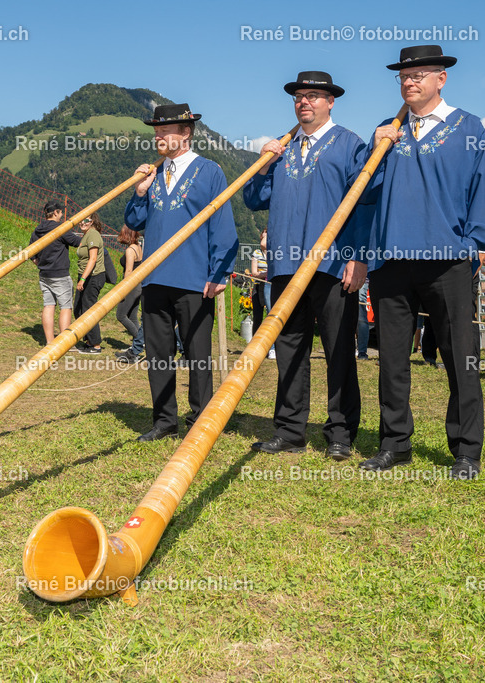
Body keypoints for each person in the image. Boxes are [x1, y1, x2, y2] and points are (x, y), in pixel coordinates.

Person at [360, 45, 485, 480]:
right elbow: (364, 196)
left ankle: (465, 451)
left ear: (441, 78)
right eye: (404, 75)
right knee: (391, 359)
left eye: (420, 74)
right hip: (392, 259)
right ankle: (394, 445)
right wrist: (375, 148)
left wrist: (473, 244)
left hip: (448, 260)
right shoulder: (388, 131)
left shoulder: (468, 127)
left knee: (459, 357)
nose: (410, 81)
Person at [243, 71, 368, 461]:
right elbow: (252, 197)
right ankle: (290, 429)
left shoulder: (350, 144)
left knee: (338, 350)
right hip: (285, 265)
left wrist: (358, 256)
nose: (304, 102)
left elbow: (365, 205)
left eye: (314, 96)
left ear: (331, 102)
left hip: (333, 265)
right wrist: (264, 163)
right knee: (289, 348)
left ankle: (341, 432)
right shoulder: (283, 148)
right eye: (299, 96)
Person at [124, 103, 239, 442]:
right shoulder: (153, 174)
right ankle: (164, 420)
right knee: (159, 354)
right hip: (155, 276)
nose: (159, 135)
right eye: (157, 130)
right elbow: (133, 222)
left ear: (186, 132)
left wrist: (220, 273)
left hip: (194, 278)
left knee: (197, 353)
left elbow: (223, 226)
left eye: (166, 130)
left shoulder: (210, 171)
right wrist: (140, 192)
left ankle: (202, 419)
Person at [29, 199, 81, 344]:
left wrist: (41, 263)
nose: (61, 215)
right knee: (66, 307)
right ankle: (64, 344)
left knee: (49, 305)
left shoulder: (37, 230)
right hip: (60, 274)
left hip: (44, 274)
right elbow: (78, 242)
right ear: (56, 213)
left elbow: (31, 253)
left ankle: (50, 342)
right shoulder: (60, 229)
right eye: (60, 212)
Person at [72, 212, 106, 354]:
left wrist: (83, 279)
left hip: (93, 276)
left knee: (88, 310)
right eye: (81, 220)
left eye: (86, 220)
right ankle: (88, 341)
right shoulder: (86, 235)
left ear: (92, 221)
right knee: (78, 309)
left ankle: (95, 345)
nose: (82, 223)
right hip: (85, 275)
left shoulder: (93, 234)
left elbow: (92, 259)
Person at [114, 225, 144, 364]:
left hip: (131, 286)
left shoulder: (130, 250)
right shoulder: (138, 246)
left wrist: (123, 290)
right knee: (132, 316)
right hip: (139, 286)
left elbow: (129, 271)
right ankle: (138, 345)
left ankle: (141, 342)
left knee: (120, 315)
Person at [249, 228, 274, 359]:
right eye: (262, 237)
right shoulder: (256, 253)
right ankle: (255, 346)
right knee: (258, 317)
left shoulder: (273, 253)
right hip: (259, 287)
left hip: (270, 285)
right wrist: (266, 274)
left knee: (271, 314)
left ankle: (271, 347)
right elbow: (254, 273)